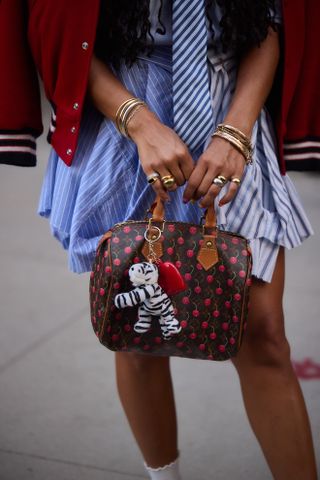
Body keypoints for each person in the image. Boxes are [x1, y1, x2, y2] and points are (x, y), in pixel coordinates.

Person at [0, 1, 318, 479]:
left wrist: (236, 130)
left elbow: (272, 20)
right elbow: (56, 28)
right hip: (122, 110)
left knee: (264, 335)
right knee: (138, 330)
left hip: (231, 102)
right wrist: (137, 121)